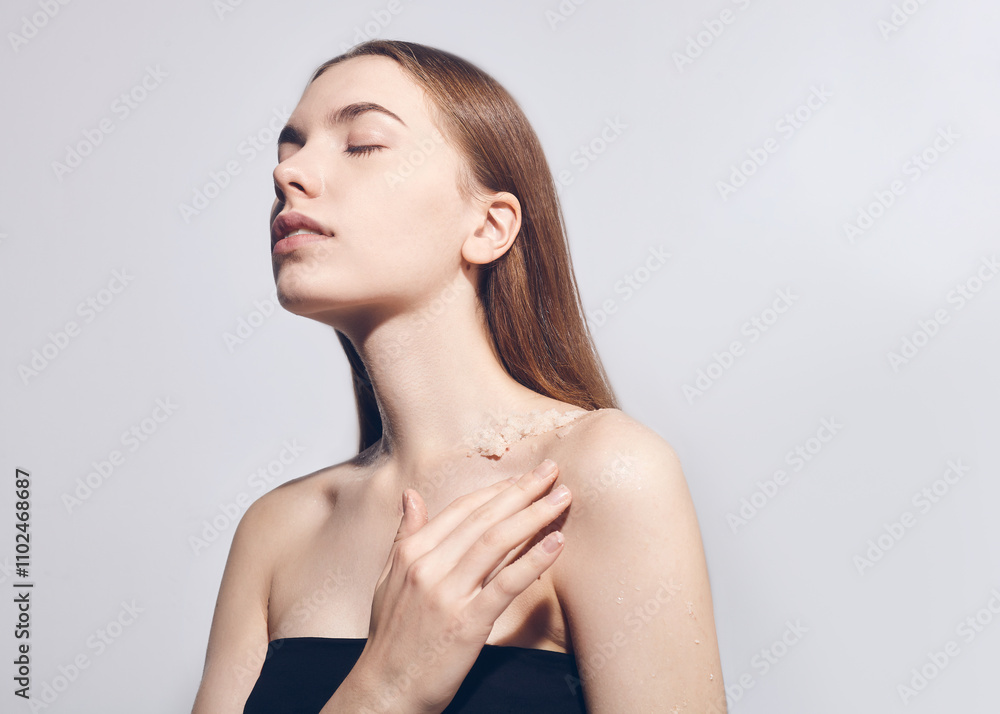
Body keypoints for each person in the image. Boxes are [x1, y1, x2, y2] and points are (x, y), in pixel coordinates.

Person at [191, 39, 726, 714]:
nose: (290, 174)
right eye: (287, 150)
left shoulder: (600, 475)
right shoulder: (278, 529)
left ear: (489, 225)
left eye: (361, 143)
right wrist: (385, 688)